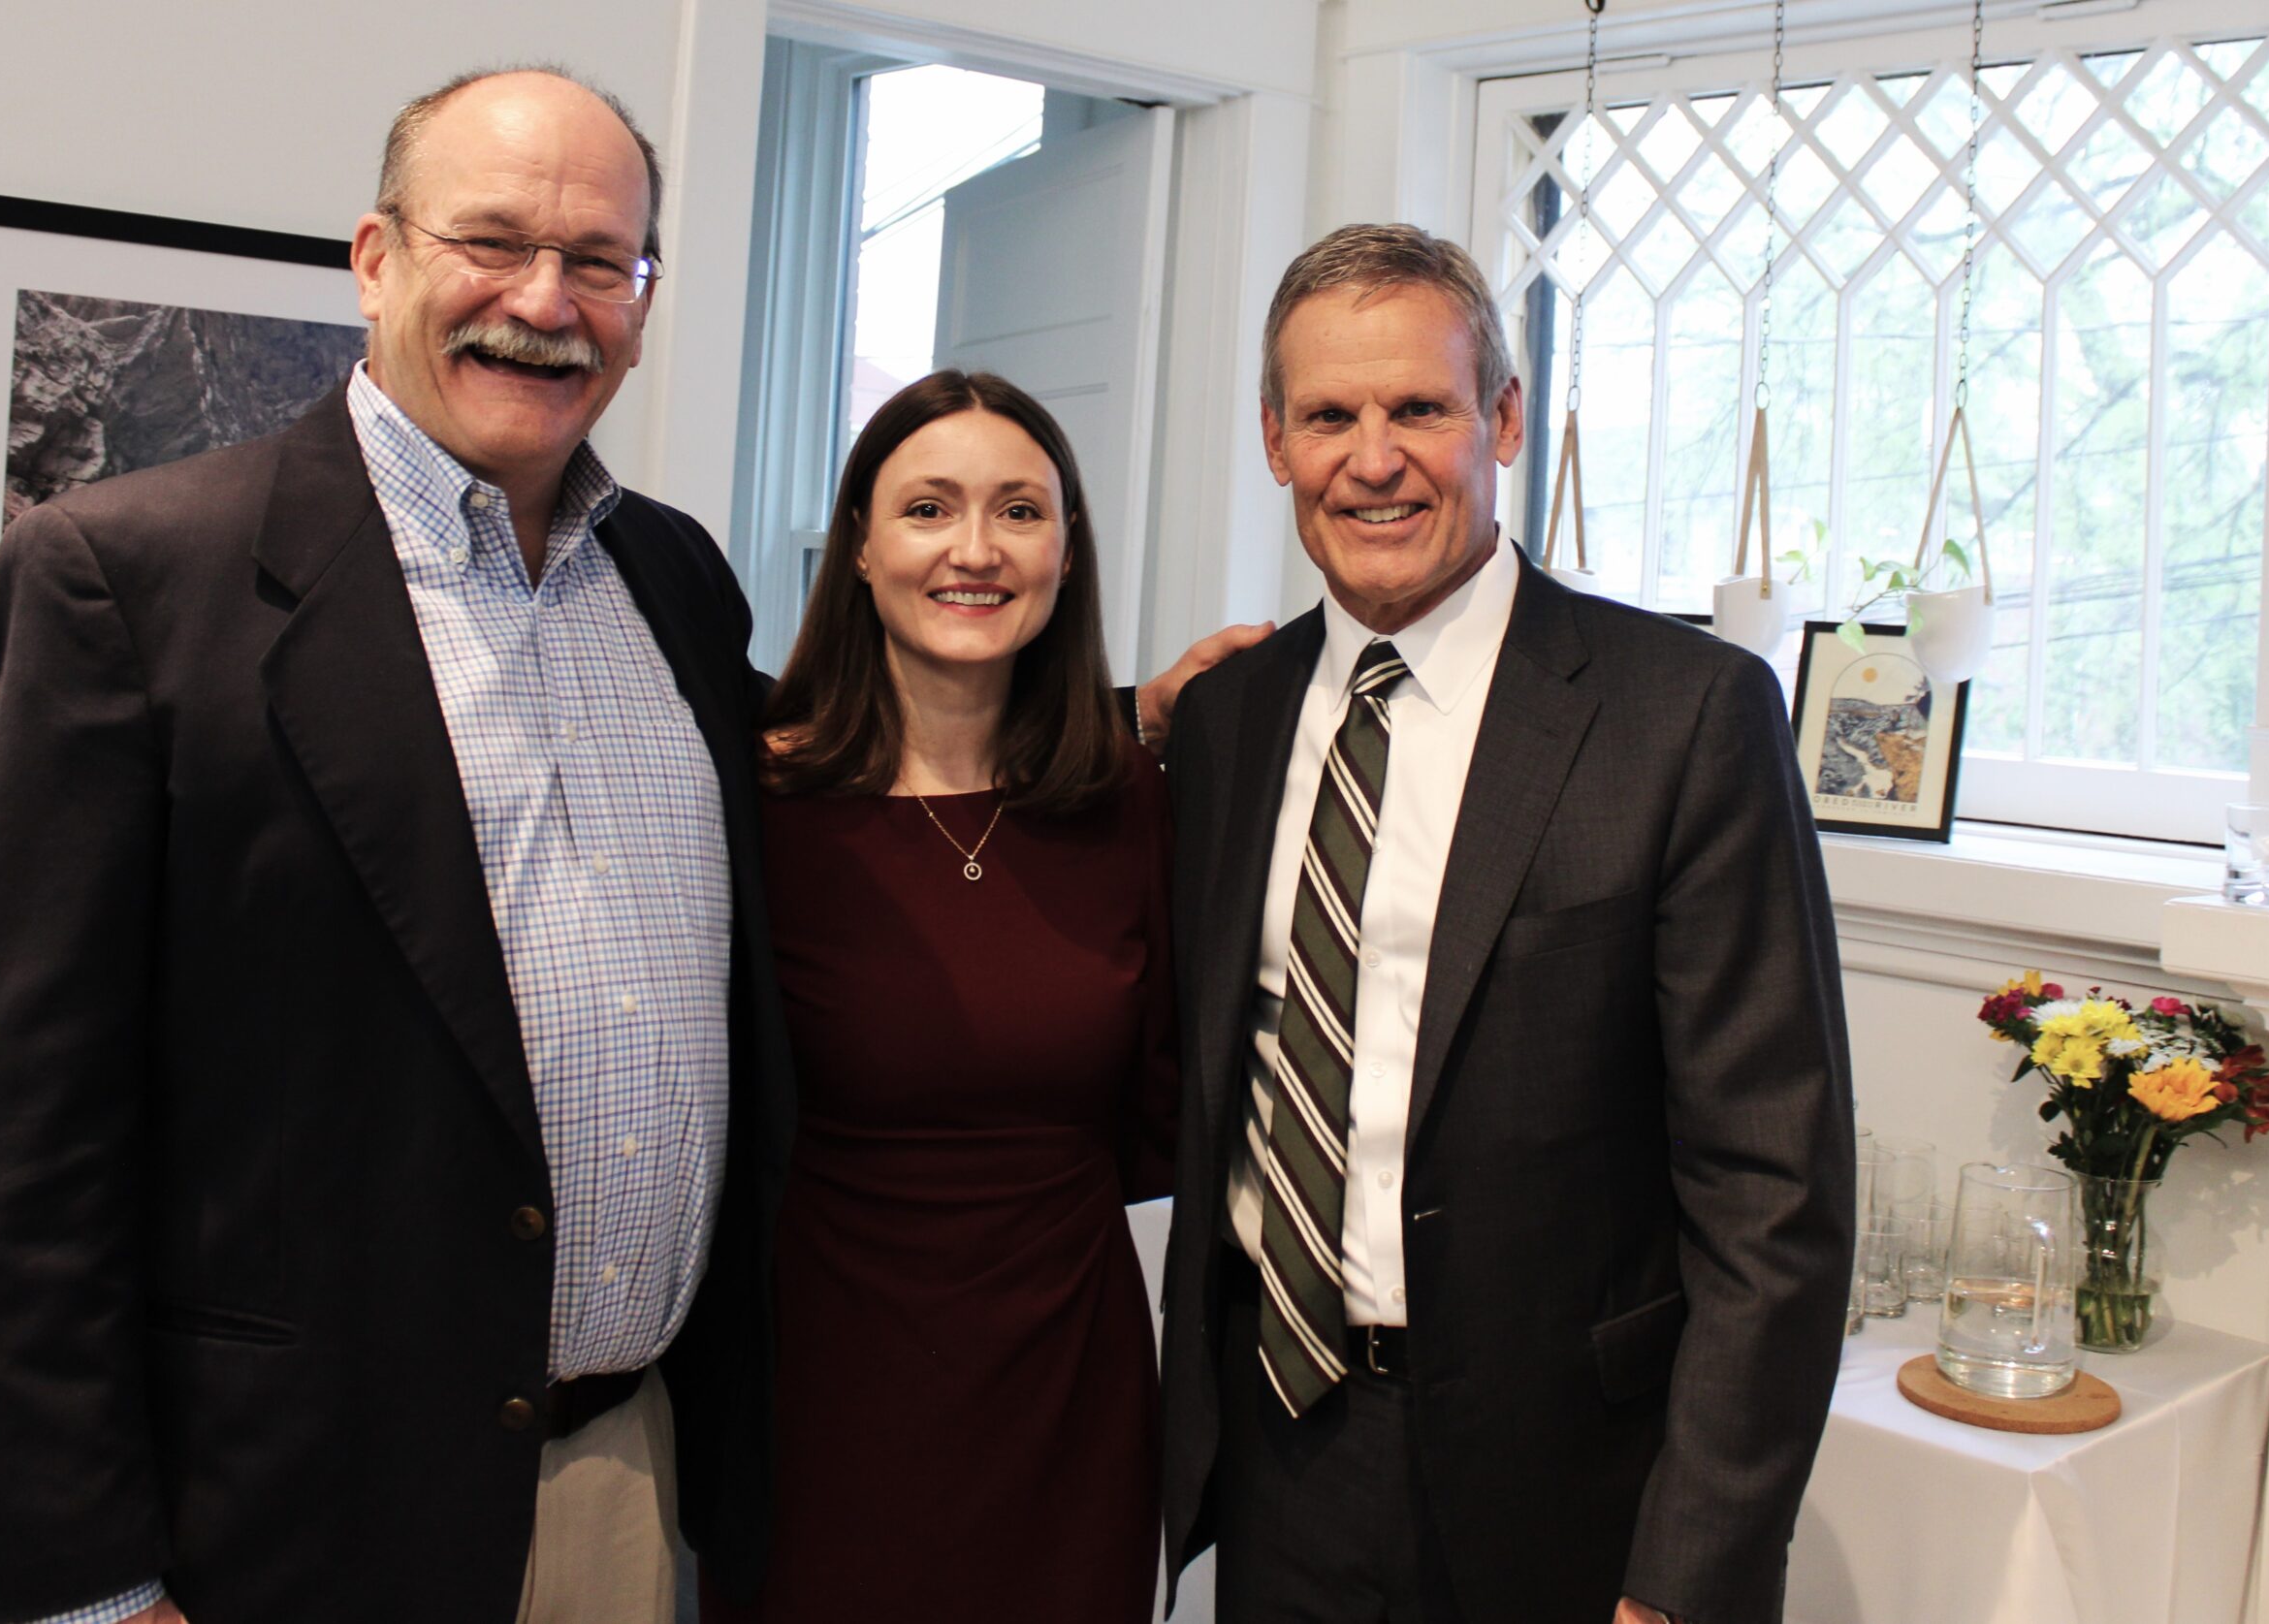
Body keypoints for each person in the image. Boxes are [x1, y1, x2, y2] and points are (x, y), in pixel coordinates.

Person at [0, 68, 788, 1624]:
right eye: (495, 242)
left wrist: (1148, 720)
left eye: (600, 260)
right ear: (377, 259)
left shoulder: (675, 578)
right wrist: (88, 1582)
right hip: (278, 1525)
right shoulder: (124, 582)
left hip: (633, 1485)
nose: (546, 300)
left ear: (645, 300)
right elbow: (15, 1143)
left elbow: (877, 758)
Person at [1156, 224, 1854, 1624]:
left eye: (1418, 406)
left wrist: (1688, 1573)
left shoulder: (1682, 716)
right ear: (1275, 440)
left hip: (1571, 1498)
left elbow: (1772, 1192)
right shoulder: (1229, 722)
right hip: (1283, 1449)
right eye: (1330, 415)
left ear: (1506, 421)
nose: (1374, 457)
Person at [703, 370, 1176, 1624]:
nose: (975, 549)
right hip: (822, 1396)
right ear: (859, 544)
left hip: (1069, 1399)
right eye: (928, 509)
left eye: (1020, 511)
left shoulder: (1133, 803)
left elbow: (1174, 1097)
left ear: (1068, 554)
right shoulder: (754, 806)